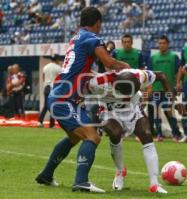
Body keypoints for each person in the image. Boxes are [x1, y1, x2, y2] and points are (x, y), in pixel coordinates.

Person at [35, 7, 129, 193]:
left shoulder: (76, 37)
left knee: (73, 138)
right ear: (97, 23)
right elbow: (109, 63)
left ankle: (46, 174)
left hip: (61, 96)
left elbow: (85, 67)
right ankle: (81, 181)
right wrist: (127, 67)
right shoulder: (91, 38)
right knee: (92, 136)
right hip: (64, 99)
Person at [87, 68, 172, 194]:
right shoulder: (98, 83)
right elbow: (83, 87)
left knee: (147, 135)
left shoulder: (140, 75)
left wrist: (172, 100)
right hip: (110, 111)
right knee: (115, 133)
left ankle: (154, 184)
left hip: (133, 109)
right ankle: (120, 172)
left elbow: (162, 75)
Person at [148, 35, 181, 142]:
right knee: (157, 112)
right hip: (156, 90)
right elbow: (149, 75)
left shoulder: (174, 57)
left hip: (168, 90)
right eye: (160, 43)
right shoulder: (153, 58)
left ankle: (176, 134)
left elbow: (178, 72)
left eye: (164, 43)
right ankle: (159, 134)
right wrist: (149, 89)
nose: (162, 45)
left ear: (168, 44)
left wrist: (177, 85)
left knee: (170, 111)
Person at [37, 54, 62, 128]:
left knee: (46, 106)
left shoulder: (46, 66)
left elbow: (43, 77)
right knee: (53, 106)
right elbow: (60, 79)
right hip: (54, 88)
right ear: (57, 60)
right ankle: (51, 124)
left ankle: (40, 122)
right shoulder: (58, 68)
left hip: (46, 87)